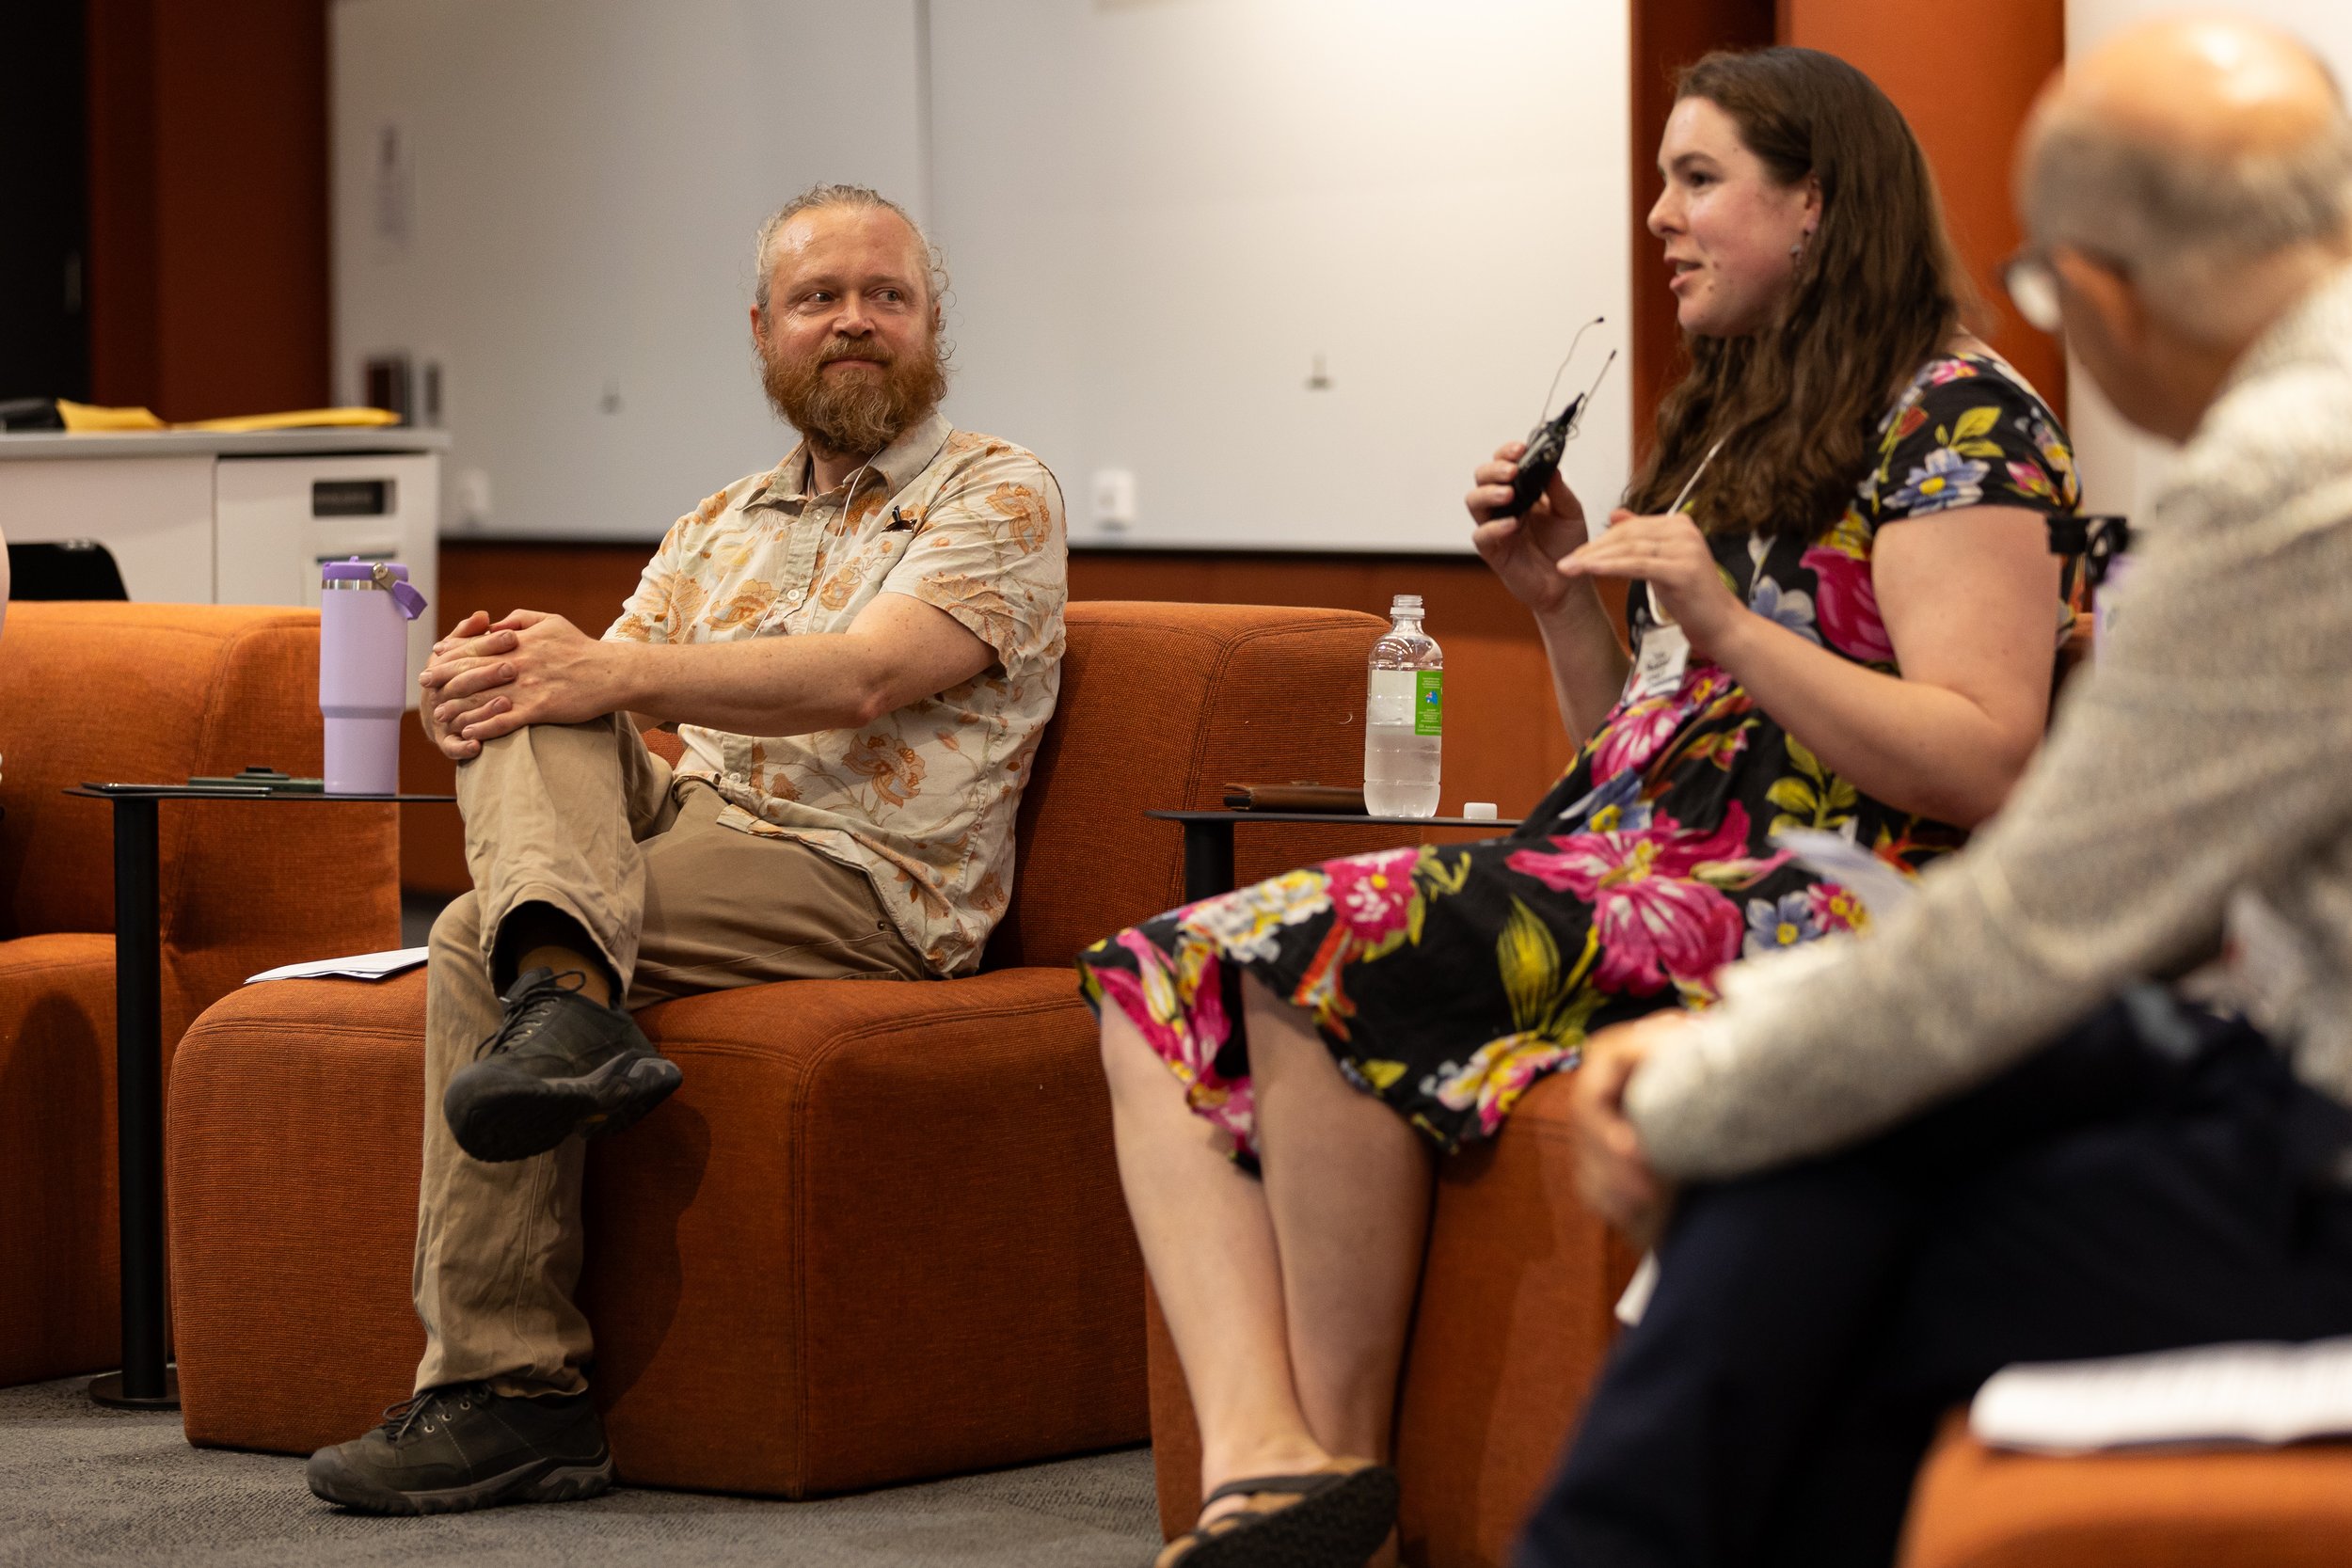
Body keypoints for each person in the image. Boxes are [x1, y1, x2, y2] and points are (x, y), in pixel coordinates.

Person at [1081, 46, 2080, 1568]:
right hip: (1641, 865)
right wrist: (1557, 602)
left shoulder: (1963, 419)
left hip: (1825, 891)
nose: (1660, 218)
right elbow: (1642, 748)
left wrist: (1730, 623)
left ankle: (1329, 1480)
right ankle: (1268, 1466)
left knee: (1314, 949)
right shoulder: (1740, 413)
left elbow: (1985, 754)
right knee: (1151, 972)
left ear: (1817, 203)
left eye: (1699, 180)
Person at [1517, 18, 2352, 1568]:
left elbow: (2047, 920)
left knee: (1807, 1200)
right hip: (2285, 1045)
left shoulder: (2286, 473)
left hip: (2321, 1118)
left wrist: (1713, 1084)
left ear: (2099, 292)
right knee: (1833, 1160)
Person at [305, 183, 1068, 1513]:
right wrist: (475, 689)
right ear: (765, 330)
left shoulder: (999, 491)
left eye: (886, 296)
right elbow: (600, 688)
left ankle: (512, 1390)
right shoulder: (721, 520)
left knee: (474, 931)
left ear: (930, 325)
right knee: (531, 686)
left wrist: (599, 673)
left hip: (865, 875)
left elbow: (866, 678)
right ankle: (568, 1001)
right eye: (820, 298)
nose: (855, 321)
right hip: (698, 822)